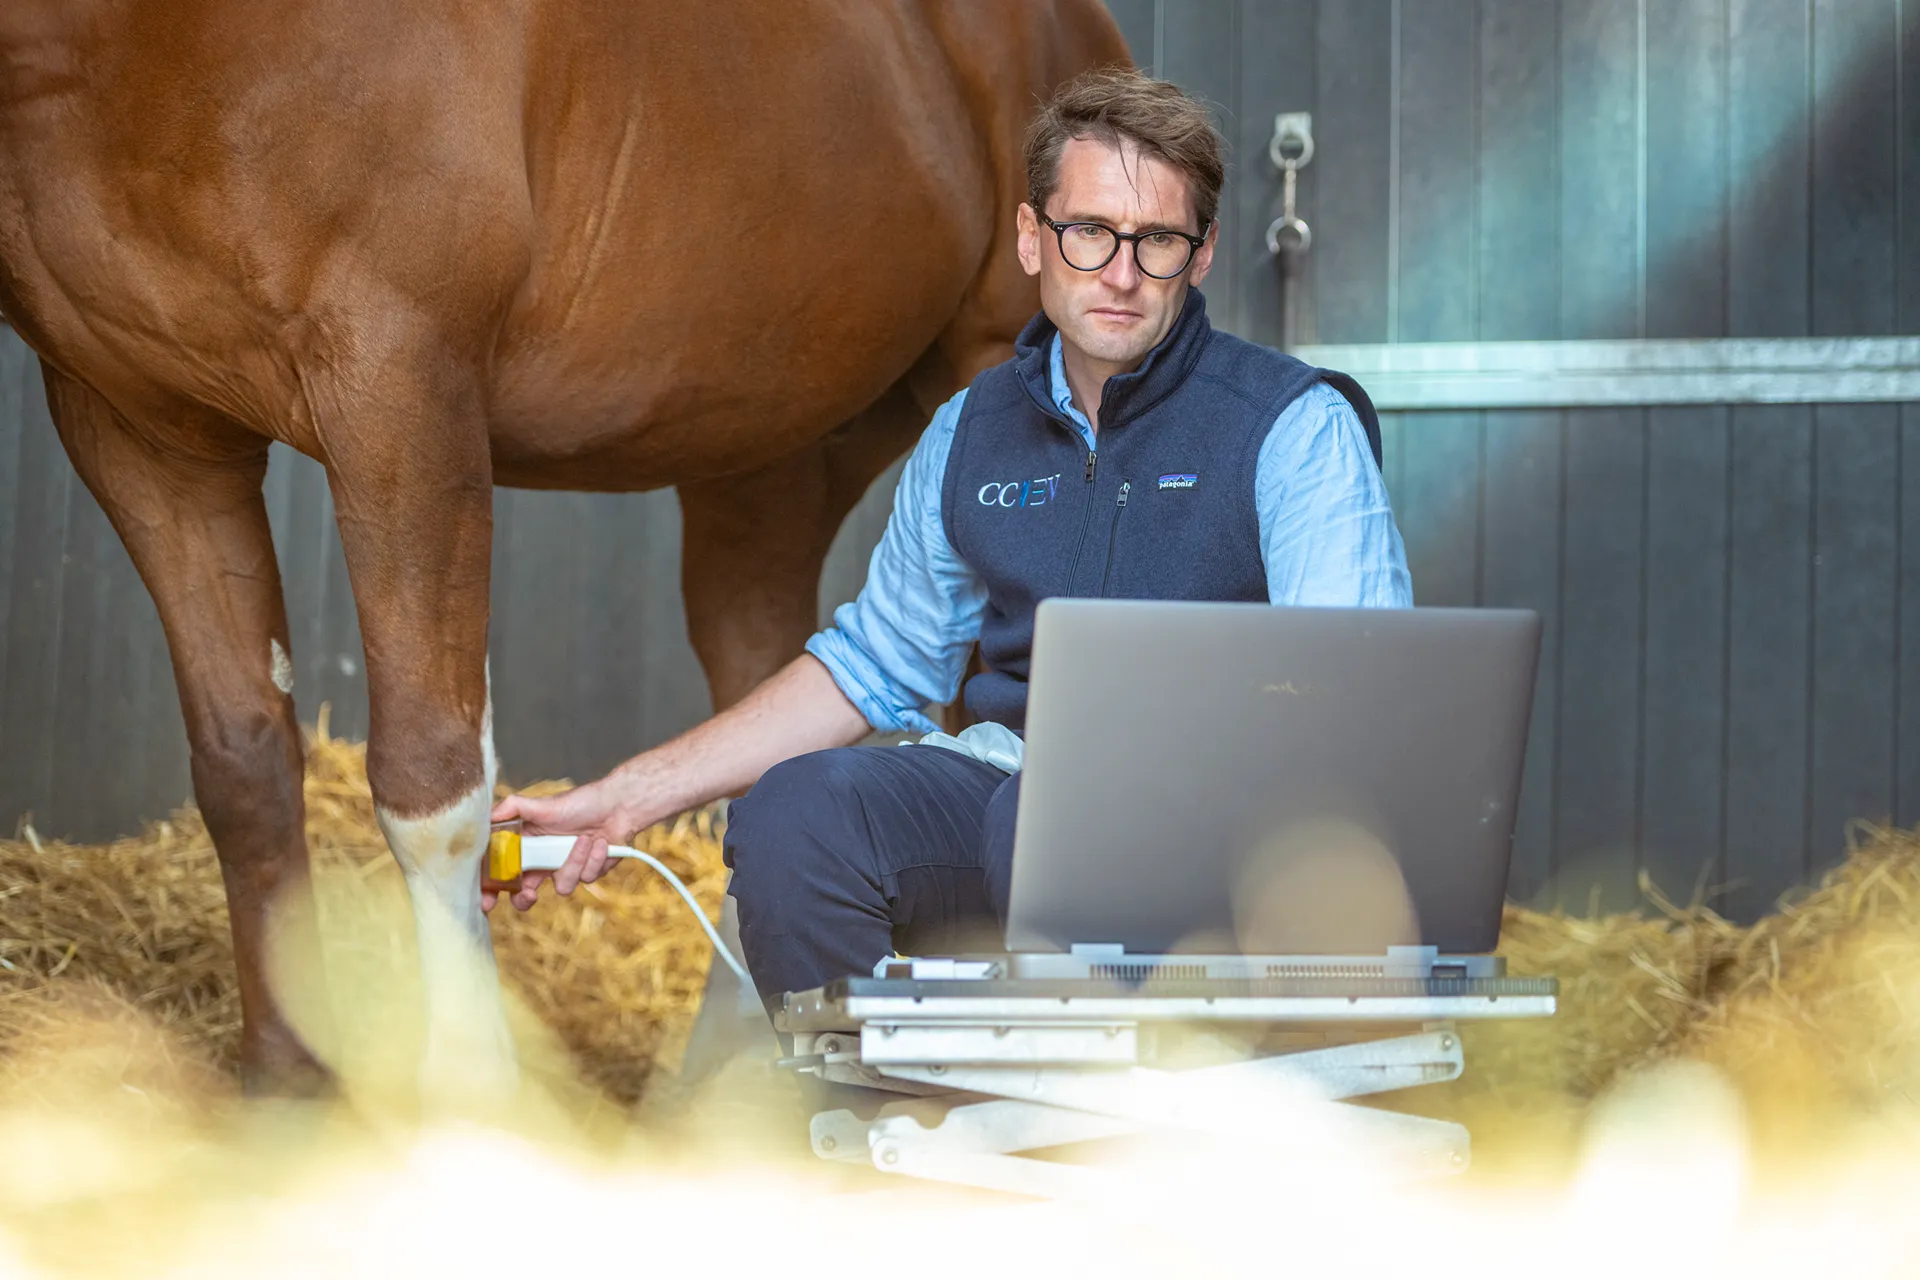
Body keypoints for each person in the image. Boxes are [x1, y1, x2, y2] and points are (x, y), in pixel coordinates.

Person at [489, 66, 1412, 1013]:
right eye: (1089, 232)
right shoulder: (969, 432)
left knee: (1040, 823)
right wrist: (629, 797)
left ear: (1204, 253)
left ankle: (1104, 1122)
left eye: (1159, 241)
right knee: (798, 815)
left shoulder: (1291, 426)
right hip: (1013, 806)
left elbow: (1350, 700)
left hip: (1215, 829)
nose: (1122, 274)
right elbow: (872, 663)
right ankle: (878, 1123)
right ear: (1030, 237)